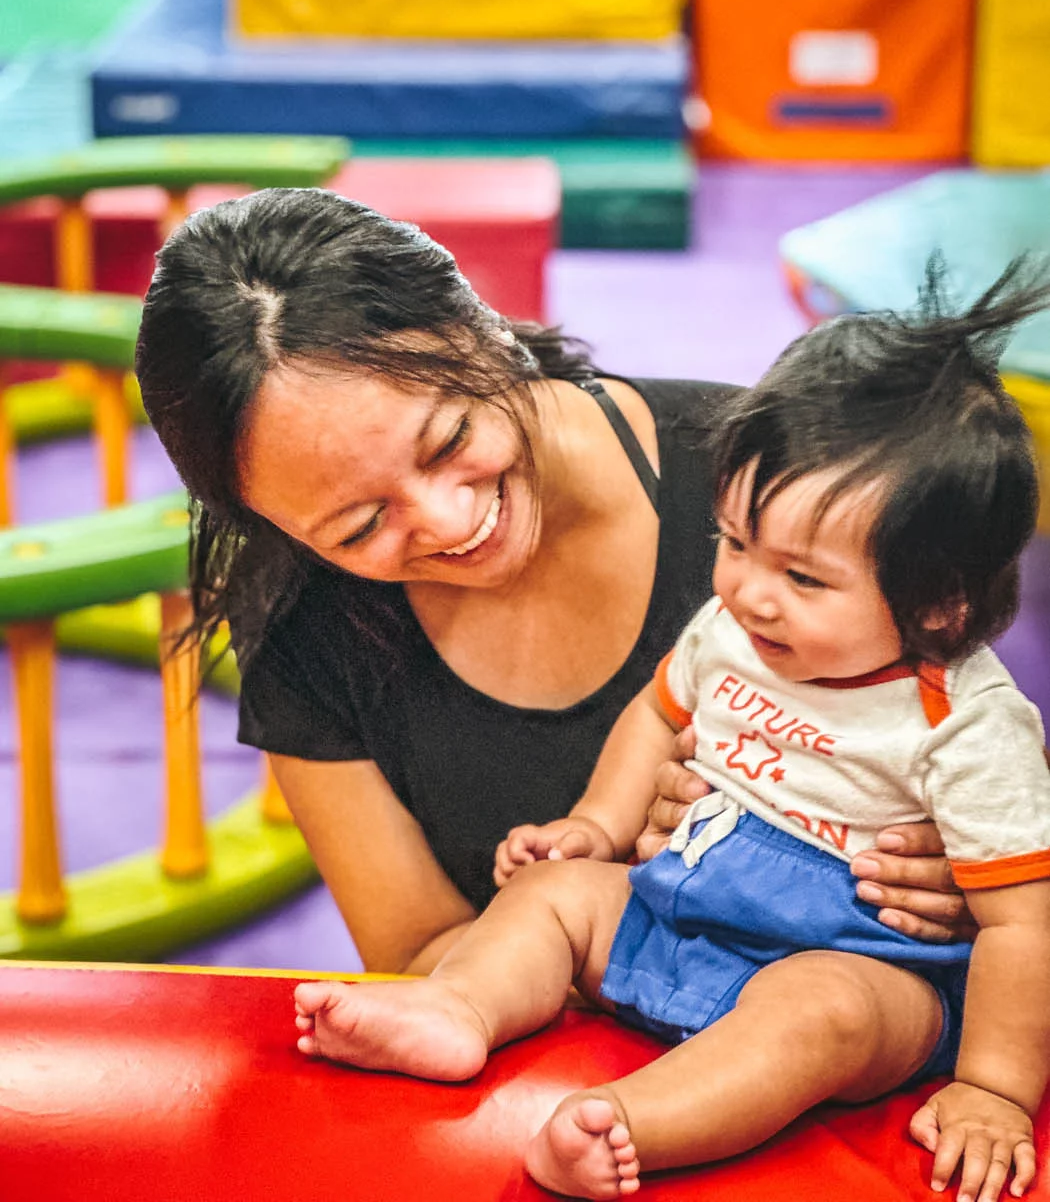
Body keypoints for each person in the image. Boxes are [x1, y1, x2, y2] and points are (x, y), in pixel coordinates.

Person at [290, 258, 1050, 1202]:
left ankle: (626, 1124)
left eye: (803, 579)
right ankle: (458, 1010)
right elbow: (658, 712)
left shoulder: (963, 726)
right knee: (558, 896)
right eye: (735, 544)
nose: (746, 591)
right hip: (680, 905)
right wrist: (597, 827)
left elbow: (1023, 923)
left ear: (939, 605)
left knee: (820, 1015)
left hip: (860, 959)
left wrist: (993, 1088)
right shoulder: (735, 630)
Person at [135, 185, 971, 981]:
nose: (451, 521)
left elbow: (975, 752)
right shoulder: (303, 615)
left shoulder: (774, 489)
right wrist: (639, 941)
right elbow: (420, 948)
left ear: (480, 328)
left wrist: (954, 876)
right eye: (359, 526)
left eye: (449, 437)